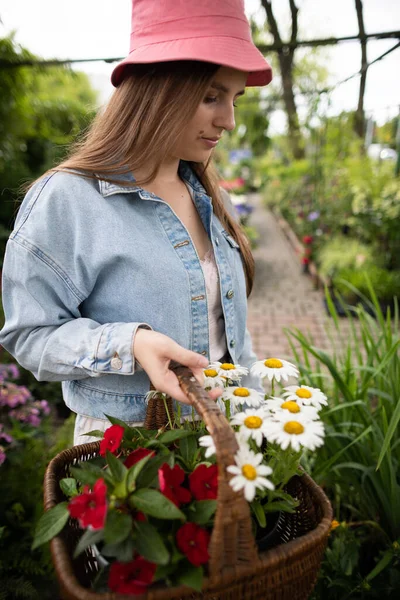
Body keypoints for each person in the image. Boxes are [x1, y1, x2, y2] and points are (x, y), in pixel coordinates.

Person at [0, 0, 272, 445]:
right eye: (211, 96)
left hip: (223, 445)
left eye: (235, 98)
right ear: (159, 88)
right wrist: (130, 344)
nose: (230, 120)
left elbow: (231, 344)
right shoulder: (70, 198)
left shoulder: (211, 198)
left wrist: (265, 426)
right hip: (128, 461)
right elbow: (31, 335)